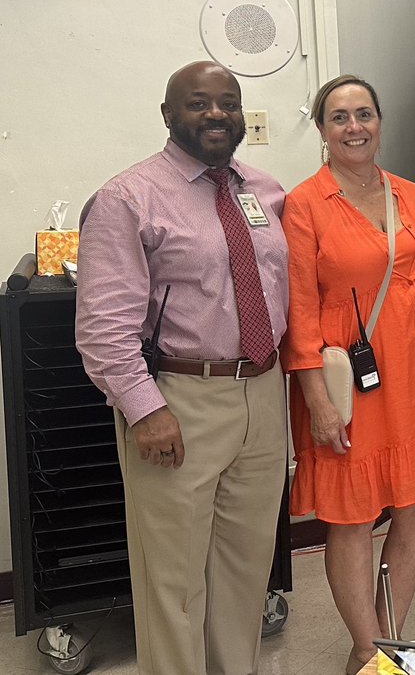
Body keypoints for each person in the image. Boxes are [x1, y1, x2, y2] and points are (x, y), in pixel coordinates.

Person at [76, 61, 288, 675]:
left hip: (264, 393)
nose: (216, 114)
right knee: (173, 582)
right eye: (198, 103)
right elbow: (103, 328)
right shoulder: (127, 197)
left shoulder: (265, 190)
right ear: (168, 115)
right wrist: (147, 411)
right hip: (180, 400)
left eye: (229, 102)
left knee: (245, 570)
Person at [282, 75, 415, 674]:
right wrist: (318, 401)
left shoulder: (410, 193)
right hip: (350, 393)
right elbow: (300, 313)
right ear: (322, 130)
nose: (354, 127)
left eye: (364, 114)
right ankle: (365, 650)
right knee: (353, 517)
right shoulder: (305, 205)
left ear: (380, 121)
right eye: (340, 117)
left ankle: (393, 639)